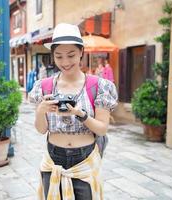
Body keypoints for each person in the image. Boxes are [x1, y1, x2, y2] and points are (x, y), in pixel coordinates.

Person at [29, 23, 118, 200]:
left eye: (71, 55)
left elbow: (101, 129)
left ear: (81, 53)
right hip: (53, 160)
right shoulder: (44, 86)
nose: (65, 62)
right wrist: (41, 111)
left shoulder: (99, 86)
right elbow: (41, 130)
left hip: (85, 161)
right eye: (59, 56)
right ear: (53, 56)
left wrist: (80, 114)